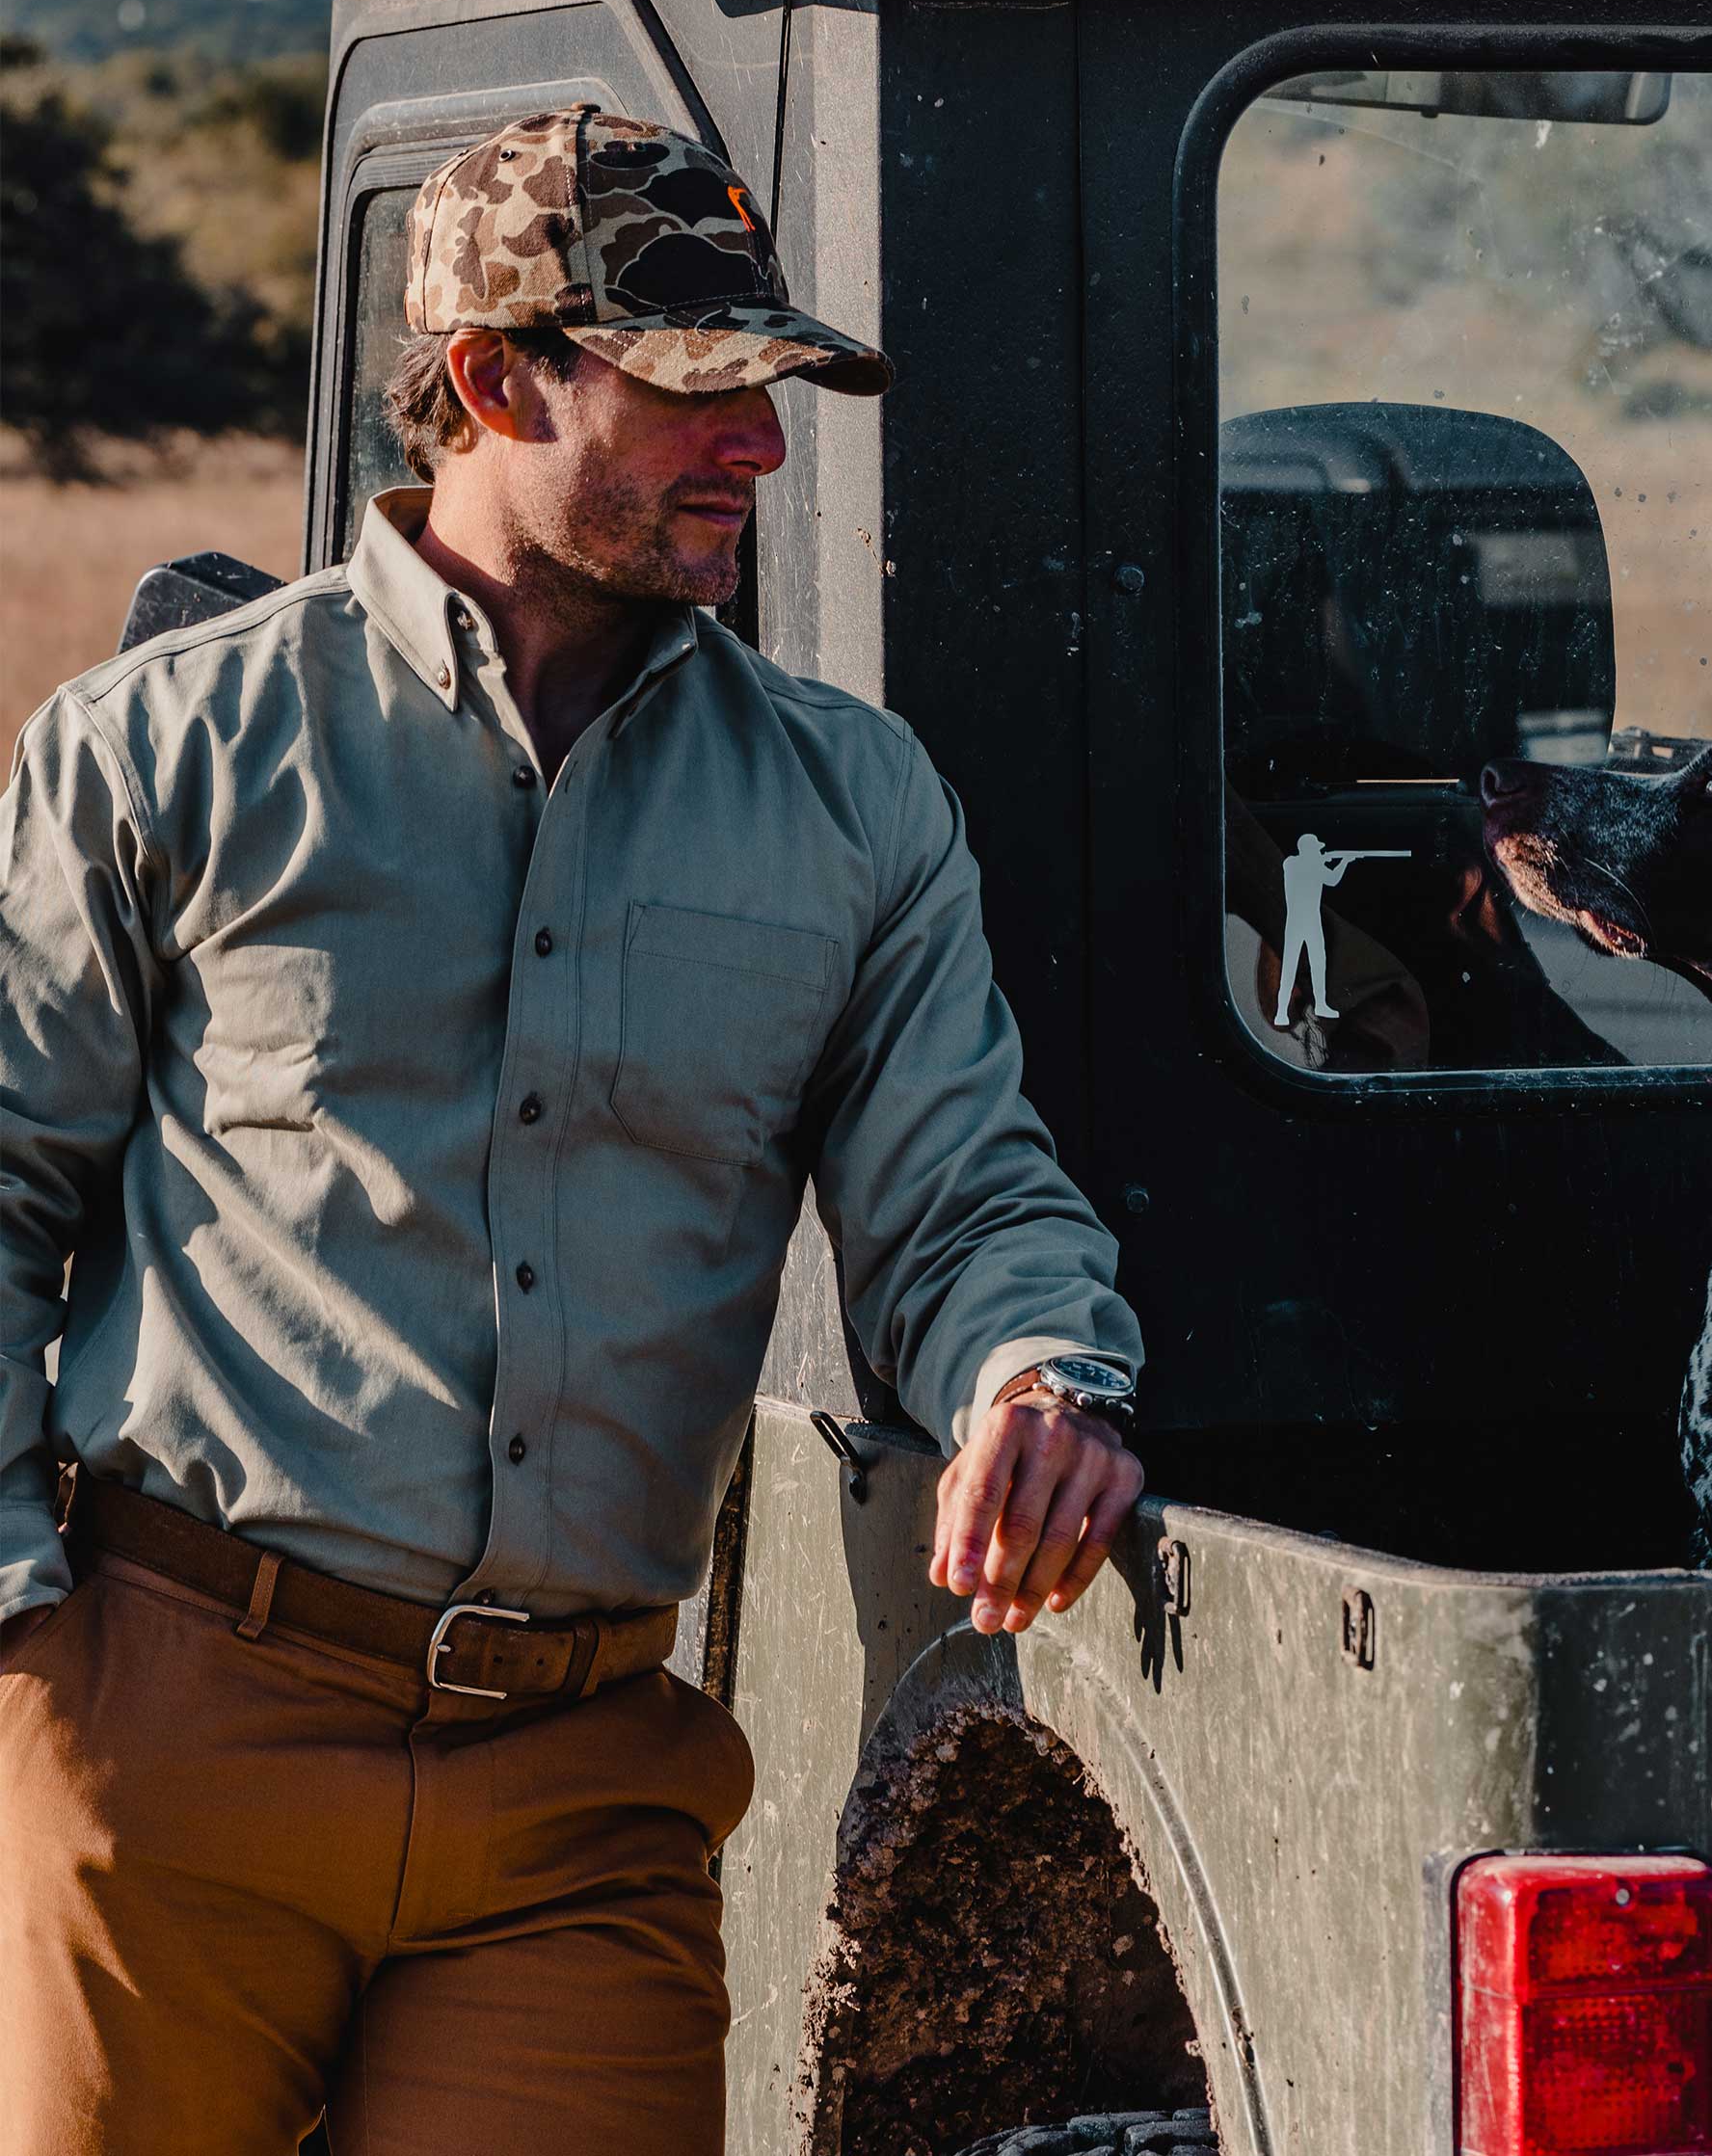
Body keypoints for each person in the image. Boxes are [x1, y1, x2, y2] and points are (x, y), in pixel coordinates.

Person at [0, 106, 1145, 2154]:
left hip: (581, 1794)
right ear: (490, 380)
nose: (761, 447)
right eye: (695, 387)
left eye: (769, 392)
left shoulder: (857, 805)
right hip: (165, 1742)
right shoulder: (166, 746)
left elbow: (965, 1192)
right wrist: (28, 1657)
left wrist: (1037, 1372)